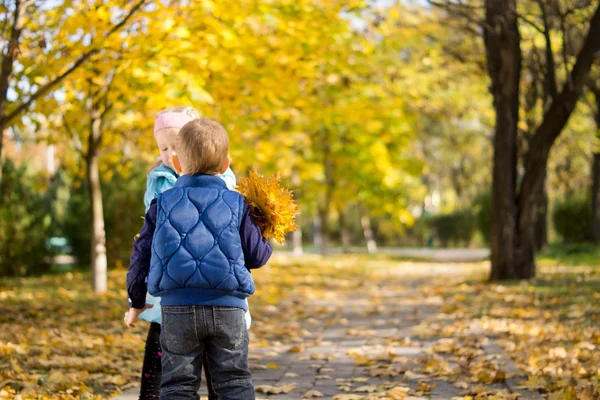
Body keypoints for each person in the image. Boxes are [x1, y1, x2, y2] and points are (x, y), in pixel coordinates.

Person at [126, 117, 272, 399]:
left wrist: (135, 299)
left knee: (178, 385)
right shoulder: (238, 204)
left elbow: (140, 255)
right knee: (234, 381)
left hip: (177, 309)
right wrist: (261, 229)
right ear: (225, 165)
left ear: (178, 164)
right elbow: (257, 257)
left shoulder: (161, 204)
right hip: (228, 308)